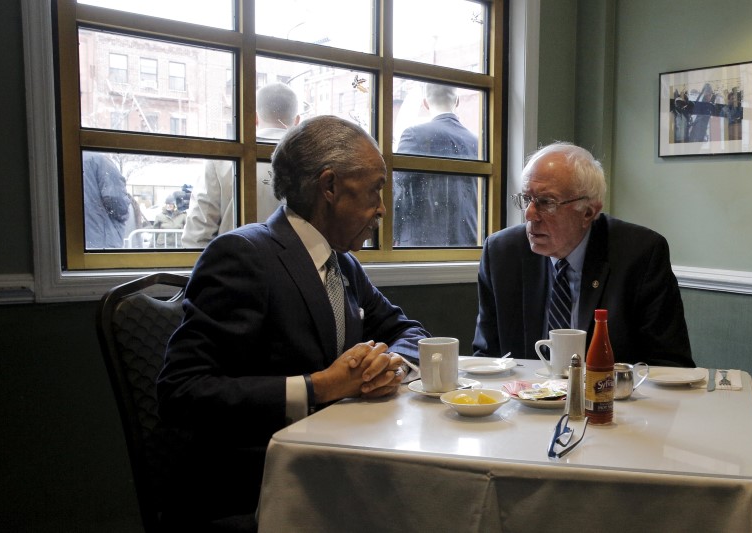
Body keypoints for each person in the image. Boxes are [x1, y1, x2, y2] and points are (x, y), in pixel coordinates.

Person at [157, 115, 430, 529]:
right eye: (375, 188)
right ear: (330, 187)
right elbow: (182, 391)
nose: (381, 207)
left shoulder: (343, 263)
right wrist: (318, 386)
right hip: (257, 486)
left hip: (335, 465)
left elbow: (409, 332)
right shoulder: (243, 256)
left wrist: (391, 362)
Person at [473, 142, 694, 368]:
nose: (530, 214)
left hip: (611, 398)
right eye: (527, 199)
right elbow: (487, 358)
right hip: (523, 399)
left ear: (588, 212)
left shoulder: (640, 254)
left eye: (546, 202)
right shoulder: (501, 253)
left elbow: (670, 365)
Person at [181, 82, 301, 248]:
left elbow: (198, 235)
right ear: (297, 121)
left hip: (234, 268)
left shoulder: (223, 159)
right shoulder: (313, 162)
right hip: (298, 269)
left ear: (254, 118)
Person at [393, 83, 479, 247]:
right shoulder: (477, 142)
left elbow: (397, 189)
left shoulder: (414, 135)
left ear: (425, 103)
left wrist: (390, 236)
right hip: (469, 243)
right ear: (458, 101)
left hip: (421, 245)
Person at [82, 152, 131, 249]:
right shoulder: (99, 160)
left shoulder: (64, 159)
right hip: (101, 239)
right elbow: (116, 199)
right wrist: (124, 214)